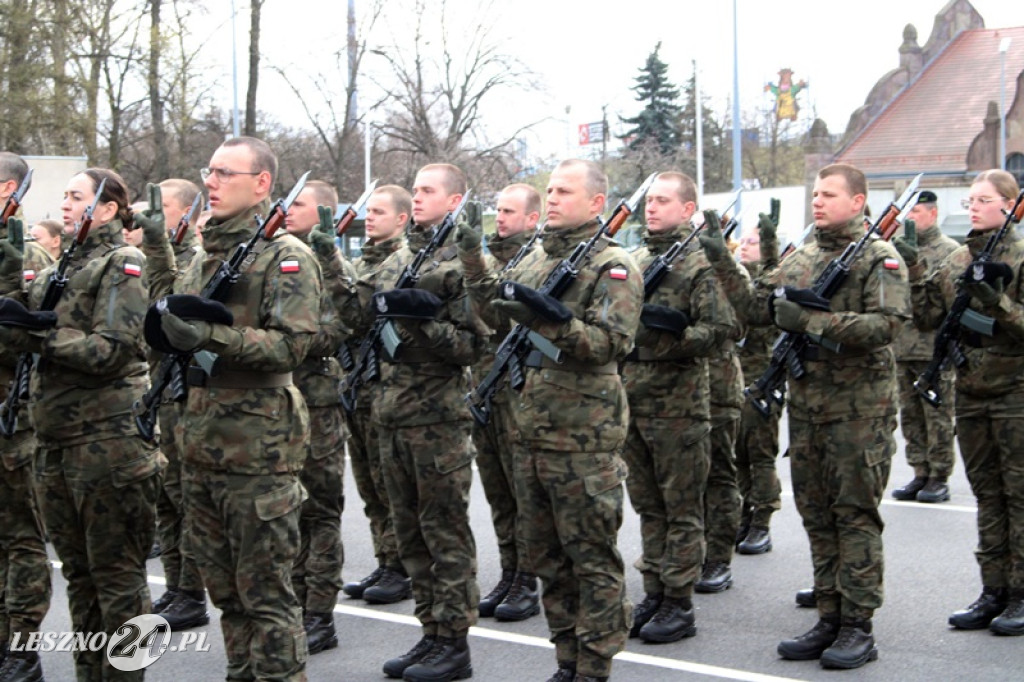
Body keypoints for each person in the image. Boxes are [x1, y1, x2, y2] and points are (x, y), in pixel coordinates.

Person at [140, 136, 320, 681]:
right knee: (226, 593)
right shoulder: (207, 255)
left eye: (225, 173)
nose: (211, 183)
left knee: (266, 597)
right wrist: (155, 248)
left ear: (261, 183)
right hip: (201, 445)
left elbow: (292, 346)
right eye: (209, 172)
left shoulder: (287, 257)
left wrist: (213, 336)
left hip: (258, 451)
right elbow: (173, 307)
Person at [459, 159, 641, 682]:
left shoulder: (615, 264)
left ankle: (595, 665)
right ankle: (567, 658)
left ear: (596, 203)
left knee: (591, 558)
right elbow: (494, 319)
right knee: (548, 560)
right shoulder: (536, 258)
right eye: (551, 190)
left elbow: (611, 342)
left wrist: (552, 320)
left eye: (565, 191)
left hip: (583, 438)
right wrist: (474, 260)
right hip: (530, 432)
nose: (554, 198)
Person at [726, 163, 909, 669]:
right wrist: (724, 261)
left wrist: (810, 319)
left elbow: (887, 325)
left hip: (859, 412)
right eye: (816, 194)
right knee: (817, 515)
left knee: (854, 516)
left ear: (859, 201)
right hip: (807, 409)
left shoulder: (880, 258)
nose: (818, 202)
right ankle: (829, 613)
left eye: (829, 194)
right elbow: (757, 306)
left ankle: (858, 626)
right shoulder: (802, 256)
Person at [0, 167, 162, 681]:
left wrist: (37, 338)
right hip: (57, 443)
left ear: (108, 209)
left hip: (108, 444)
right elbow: (19, 322)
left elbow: (111, 350)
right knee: (80, 578)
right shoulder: (61, 265)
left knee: (119, 582)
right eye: (65, 196)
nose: (64, 204)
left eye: (76, 196)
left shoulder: (122, 261)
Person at [348, 163, 483, 682]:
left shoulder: (462, 264)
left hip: (437, 421)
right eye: (417, 190)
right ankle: (430, 633)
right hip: (391, 415)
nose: (419, 197)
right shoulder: (403, 256)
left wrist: (422, 325)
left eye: (428, 191)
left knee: (443, 534)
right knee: (410, 536)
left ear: (454, 201)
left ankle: (454, 642)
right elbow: (358, 313)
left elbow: (474, 345)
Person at [901, 169, 1024, 635]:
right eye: (970, 200)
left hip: (1016, 392)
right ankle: (992, 590)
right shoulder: (959, 258)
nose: (971, 206)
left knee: (1019, 497)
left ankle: (1020, 593)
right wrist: (915, 270)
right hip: (971, 390)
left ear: (1010, 205)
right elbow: (931, 317)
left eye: (982, 199)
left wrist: (999, 306)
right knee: (988, 497)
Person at [620, 171, 732, 644]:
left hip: (680, 405)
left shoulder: (702, 262)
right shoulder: (638, 258)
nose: (652, 207)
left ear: (688, 210)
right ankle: (654, 590)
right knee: (649, 506)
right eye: (650, 200)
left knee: (682, 507)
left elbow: (723, 330)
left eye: (663, 201)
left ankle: (679, 602)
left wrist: (672, 338)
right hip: (635, 399)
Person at [282, 179, 351, 654]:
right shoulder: (276, 256)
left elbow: (341, 327)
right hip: (279, 403)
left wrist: (292, 338)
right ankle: (293, 600)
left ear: (323, 212)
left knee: (320, 511)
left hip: (318, 402)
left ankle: (320, 611)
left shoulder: (331, 265)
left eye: (299, 204)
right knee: (286, 508)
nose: (288, 211)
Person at [141, 178, 210, 631]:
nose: (151, 214)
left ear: (185, 213)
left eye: (162, 206)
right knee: (168, 500)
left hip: (189, 392)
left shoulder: (194, 259)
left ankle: (191, 591)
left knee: (187, 500)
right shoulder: (165, 258)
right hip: (164, 389)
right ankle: (176, 586)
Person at [472, 183, 542, 623]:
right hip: (486, 386)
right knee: (498, 492)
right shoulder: (486, 258)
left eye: (509, 211)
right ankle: (509, 569)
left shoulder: (535, 263)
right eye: (497, 209)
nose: (499, 217)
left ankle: (527, 579)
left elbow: (498, 318)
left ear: (532, 218)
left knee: (522, 491)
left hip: (519, 392)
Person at [339, 185, 412, 606]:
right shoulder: (363, 261)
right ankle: (386, 559)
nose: (370, 218)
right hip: (359, 385)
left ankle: (401, 565)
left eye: (380, 212)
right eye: (369, 212)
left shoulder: (399, 263)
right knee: (370, 487)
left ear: (401, 219)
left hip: (385, 386)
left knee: (389, 487)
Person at [0, 152, 53, 681]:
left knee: (20, 539)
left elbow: (32, 335)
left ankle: (23, 646)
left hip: (12, 421)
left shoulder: (28, 255)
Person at [704, 211, 783, 556]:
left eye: (755, 242)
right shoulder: (730, 279)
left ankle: (761, 521)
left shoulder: (764, 281)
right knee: (735, 457)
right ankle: (743, 515)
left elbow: (762, 310)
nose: (747, 246)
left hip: (760, 376)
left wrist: (771, 250)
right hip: (731, 381)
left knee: (760, 454)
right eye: (746, 241)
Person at [889, 190, 958, 503]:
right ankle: (919, 471)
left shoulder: (949, 251)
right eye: (908, 212)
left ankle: (938, 475)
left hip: (933, 348)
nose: (910, 218)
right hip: (903, 346)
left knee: (937, 414)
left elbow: (948, 304)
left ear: (932, 213)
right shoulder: (897, 249)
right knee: (911, 415)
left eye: (916, 211)